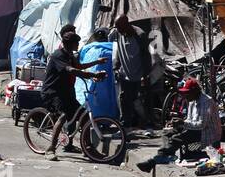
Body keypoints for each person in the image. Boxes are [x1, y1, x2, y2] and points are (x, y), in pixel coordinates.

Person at [40, 28, 107, 160]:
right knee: (64, 115)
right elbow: (72, 70)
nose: (78, 45)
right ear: (69, 44)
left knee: (84, 118)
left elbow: (79, 66)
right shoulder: (58, 56)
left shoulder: (70, 55)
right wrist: (92, 74)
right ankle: (50, 149)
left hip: (66, 93)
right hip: (53, 93)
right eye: (76, 43)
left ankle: (87, 148)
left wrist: (97, 62)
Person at [137, 77, 220, 172]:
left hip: (207, 134)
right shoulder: (192, 100)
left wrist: (182, 123)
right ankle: (166, 155)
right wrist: (179, 122)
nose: (185, 96)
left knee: (177, 138)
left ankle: (156, 159)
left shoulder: (206, 102)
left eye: (187, 93)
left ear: (195, 92)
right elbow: (190, 120)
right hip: (196, 130)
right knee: (166, 132)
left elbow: (201, 125)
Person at [110, 14, 151, 128]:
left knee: (139, 101)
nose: (117, 30)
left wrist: (145, 75)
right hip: (124, 74)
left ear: (127, 24)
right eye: (117, 27)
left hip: (138, 75)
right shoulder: (119, 33)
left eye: (119, 27)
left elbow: (146, 56)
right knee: (123, 100)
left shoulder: (140, 35)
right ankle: (125, 126)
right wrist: (116, 66)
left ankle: (147, 125)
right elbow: (118, 49)